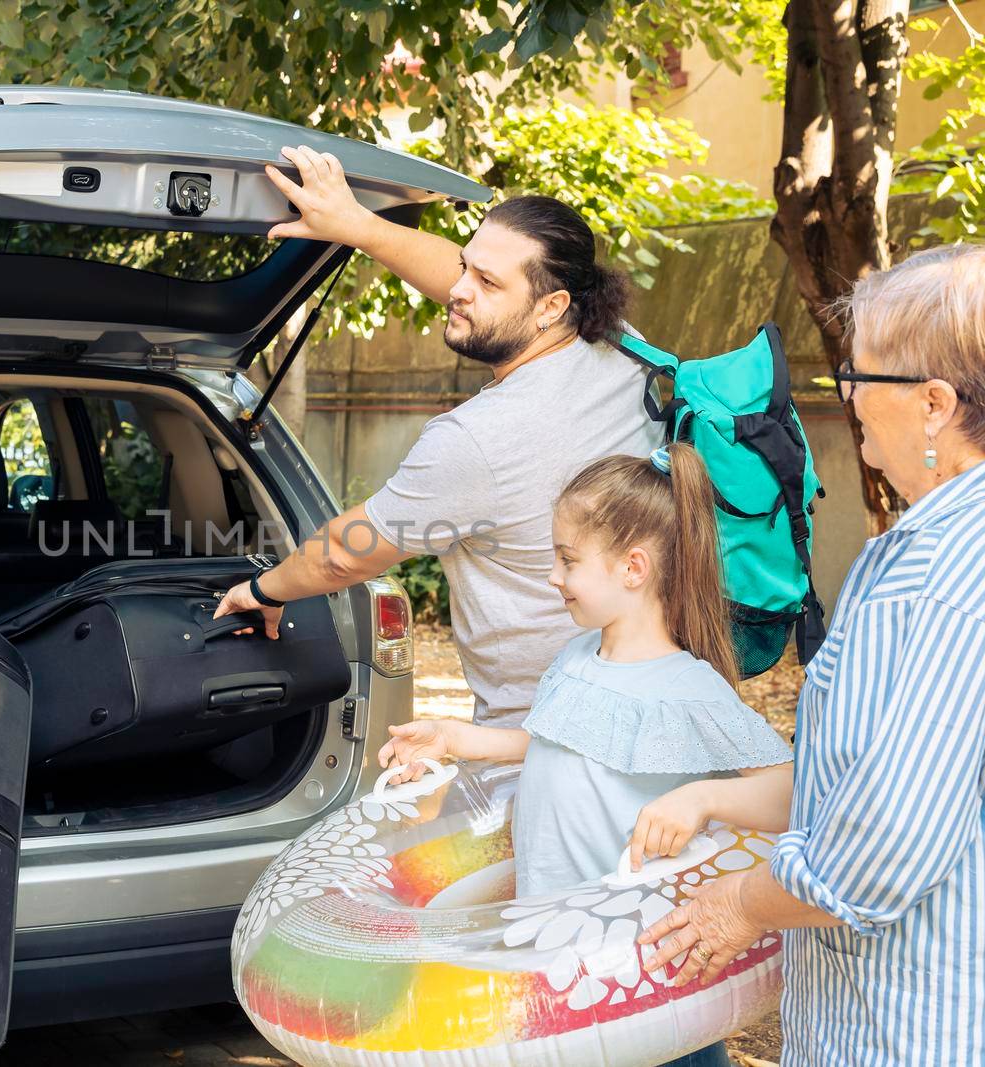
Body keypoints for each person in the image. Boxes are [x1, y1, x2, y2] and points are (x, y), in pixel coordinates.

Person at [638, 243, 985, 1066]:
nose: (848, 399)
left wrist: (742, 903)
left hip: (922, 1027)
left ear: (935, 403)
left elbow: (880, 847)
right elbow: (874, 769)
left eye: (860, 377)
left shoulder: (940, 582)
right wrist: (712, 798)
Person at [214, 147, 659, 727]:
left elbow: (347, 554)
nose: (458, 289)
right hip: (648, 686)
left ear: (552, 306)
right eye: (465, 267)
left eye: (486, 282)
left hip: (541, 728)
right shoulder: (620, 346)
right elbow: (471, 280)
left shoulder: (479, 440)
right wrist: (359, 227)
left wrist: (264, 591)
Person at [381, 442, 792, 1067]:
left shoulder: (688, 687)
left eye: (567, 560)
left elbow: (792, 793)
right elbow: (558, 746)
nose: (554, 576)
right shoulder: (576, 658)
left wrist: (704, 797)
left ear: (633, 568)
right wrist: (455, 737)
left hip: (645, 975)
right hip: (556, 952)